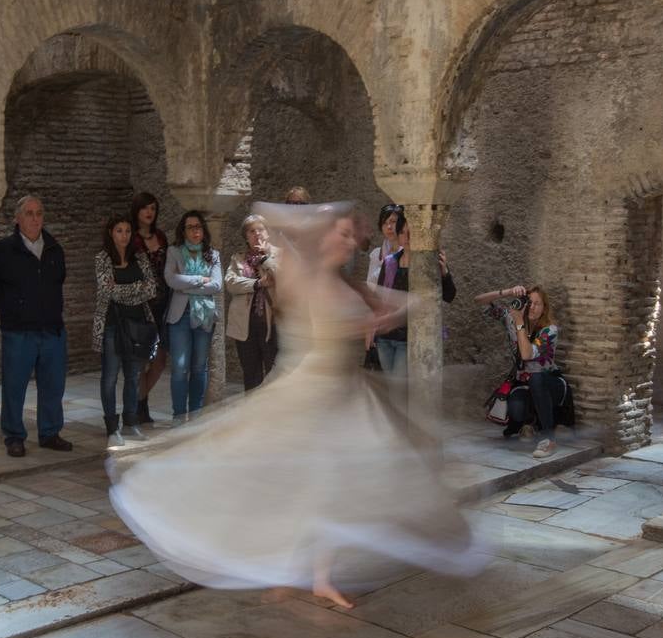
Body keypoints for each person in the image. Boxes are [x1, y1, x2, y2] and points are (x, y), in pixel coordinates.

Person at [109, 202, 482, 609]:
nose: (349, 243)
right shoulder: (302, 278)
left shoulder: (350, 285)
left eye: (350, 237)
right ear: (322, 238)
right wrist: (330, 219)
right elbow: (275, 218)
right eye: (340, 236)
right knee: (290, 484)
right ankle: (285, 566)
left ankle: (314, 574)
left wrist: (400, 308)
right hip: (307, 393)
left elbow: (397, 304)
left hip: (345, 397)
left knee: (330, 489)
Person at [0, 195, 73, 457]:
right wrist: (13, 311)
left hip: (52, 330)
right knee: (14, 385)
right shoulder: (2, 251)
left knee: (53, 385)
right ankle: (14, 435)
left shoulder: (54, 249)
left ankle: (50, 432)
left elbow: (58, 282)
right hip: (18, 332)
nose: (35, 219)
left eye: (39, 213)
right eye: (29, 213)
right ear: (18, 218)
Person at [476, 284, 566, 458]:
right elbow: (479, 301)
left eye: (537, 304)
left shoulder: (549, 331)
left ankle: (549, 439)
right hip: (524, 385)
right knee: (516, 409)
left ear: (544, 308)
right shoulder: (512, 319)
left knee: (536, 379)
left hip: (551, 385)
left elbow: (526, 354)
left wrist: (518, 323)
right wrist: (507, 292)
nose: (532, 307)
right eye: (528, 302)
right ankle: (530, 424)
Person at [93, 214, 157, 447]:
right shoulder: (102, 259)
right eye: (119, 230)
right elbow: (107, 291)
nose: (124, 235)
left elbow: (151, 288)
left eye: (128, 231)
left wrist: (124, 288)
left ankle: (131, 422)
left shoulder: (139, 258)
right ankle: (112, 427)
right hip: (112, 323)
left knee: (133, 375)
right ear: (111, 233)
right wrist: (135, 289)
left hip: (138, 324)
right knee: (110, 376)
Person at [372, 211, 456, 377]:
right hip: (385, 337)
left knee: (397, 389)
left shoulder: (431, 262)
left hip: (408, 338)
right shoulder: (390, 262)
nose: (407, 237)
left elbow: (449, 295)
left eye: (412, 233)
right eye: (403, 232)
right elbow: (379, 298)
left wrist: (444, 272)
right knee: (390, 388)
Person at [164, 210, 223, 421]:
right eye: (190, 227)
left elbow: (216, 285)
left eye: (198, 226)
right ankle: (179, 417)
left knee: (199, 367)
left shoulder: (213, 254)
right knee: (180, 367)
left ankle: (196, 416)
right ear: (183, 230)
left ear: (203, 229)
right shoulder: (174, 252)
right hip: (180, 315)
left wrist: (186, 285)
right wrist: (200, 279)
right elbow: (171, 279)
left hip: (204, 315)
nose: (195, 231)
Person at [225, 214, 280, 390]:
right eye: (251, 231)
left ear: (268, 233)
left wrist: (265, 258)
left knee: (275, 375)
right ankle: (253, 416)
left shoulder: (279, 255)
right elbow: (231, 283)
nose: (257, 234)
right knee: (251, 375)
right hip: (246, 327)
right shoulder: (238, 259)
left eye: (261, 229)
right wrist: (257, 284)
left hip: (273, 325)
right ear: (246, 237)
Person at [130, 192, 170, 426]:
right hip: (142, 306)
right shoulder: (131, 239)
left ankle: (139, 401)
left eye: (153, 208)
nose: (149, 212)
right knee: (142, 360)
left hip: (164, 304)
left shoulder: (161, 237)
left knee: (161, 361)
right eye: (145, 208)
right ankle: (139, 408)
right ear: (137, 210)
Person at [365, 203, 402, 286]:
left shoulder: (408, 253)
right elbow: (370, 285)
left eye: (393, 222)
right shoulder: (377, 254)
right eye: (385, 223)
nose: (389, 227)